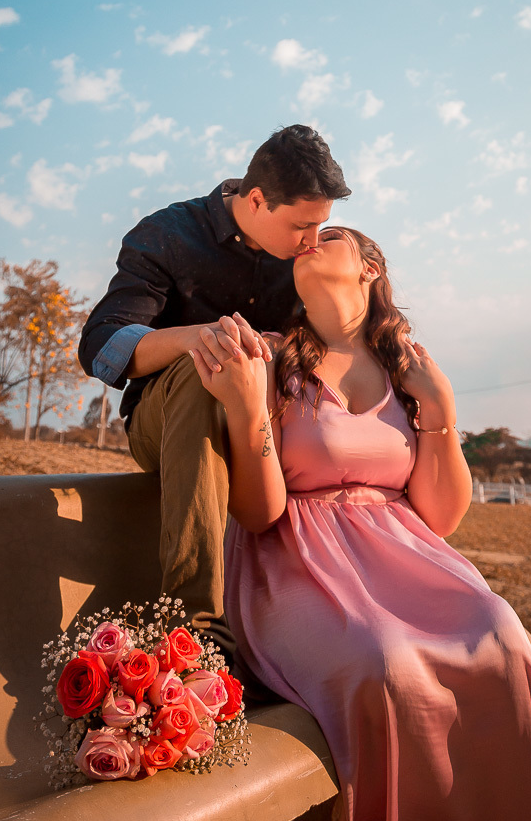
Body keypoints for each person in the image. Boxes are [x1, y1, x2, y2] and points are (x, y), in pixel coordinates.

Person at [190, 226, 531, 821]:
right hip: (298, 563)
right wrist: (246, 410)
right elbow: (258, 514)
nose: (312, 237)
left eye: (330, 234)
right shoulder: (272, 355)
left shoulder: (405, 365)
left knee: (503, 634)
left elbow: (440, 516)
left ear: (369, 267)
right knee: (383, 659)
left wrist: (440, 408)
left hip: (406, 554)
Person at [78, 125, 350, 653]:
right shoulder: (167, 233)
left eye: (322, 227)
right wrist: (196, 337)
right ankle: (194, 633)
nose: (313, 242)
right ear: (255, 200)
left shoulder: (305, 256)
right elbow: (100, 344)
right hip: (165, 423)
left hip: (269, 430)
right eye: (302, 226)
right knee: (209, 364)